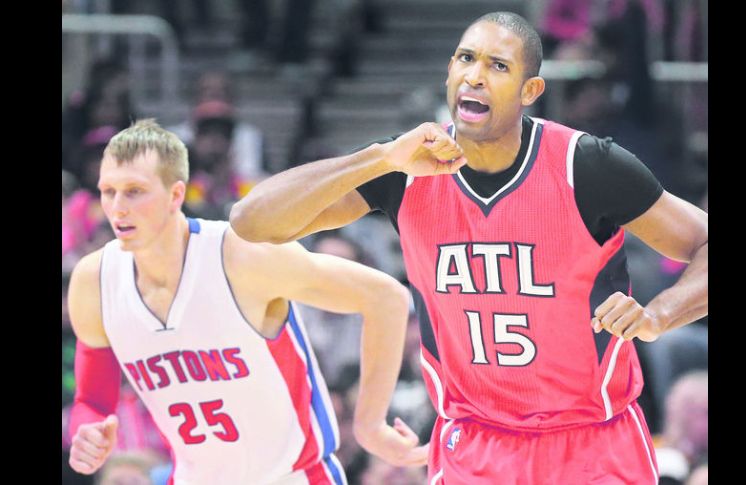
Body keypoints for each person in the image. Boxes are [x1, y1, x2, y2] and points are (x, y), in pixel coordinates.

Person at [229, 11, 708, 484]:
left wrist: (660, 315)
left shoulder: (586, 166)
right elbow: (253, 222)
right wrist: (377, 157)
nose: (475, 76)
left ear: (529, 91)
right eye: (465, 59)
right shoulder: (406, 168)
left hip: (593, 445)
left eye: (498, 66)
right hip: (474, 446)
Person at [66, 119, 428, 484]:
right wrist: (90, 432)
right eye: (108, 191)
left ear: (176, 195)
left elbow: (386, 296)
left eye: (134, 192)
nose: (117, 208)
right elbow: (92, 402)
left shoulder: (239, 256)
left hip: (291, 477)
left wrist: (370, 424)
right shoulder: (93, 281)